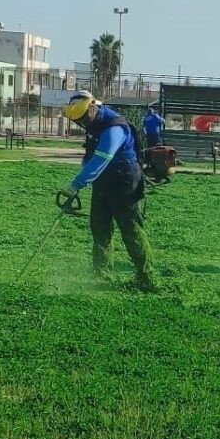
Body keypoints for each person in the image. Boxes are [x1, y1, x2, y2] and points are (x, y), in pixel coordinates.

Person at [60, 90, 155, 291]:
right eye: (78, 121)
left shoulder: (114, 127)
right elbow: (90, 158)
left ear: (93, 107)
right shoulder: (94, 124)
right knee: (100, 227)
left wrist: (77, 183)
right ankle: (101, 276)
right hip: (103, 180)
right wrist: (83, 176)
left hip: (125, 180)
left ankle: (145, 276)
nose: (82, 123)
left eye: (84, 118)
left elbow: (102, 158)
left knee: (130, 228)